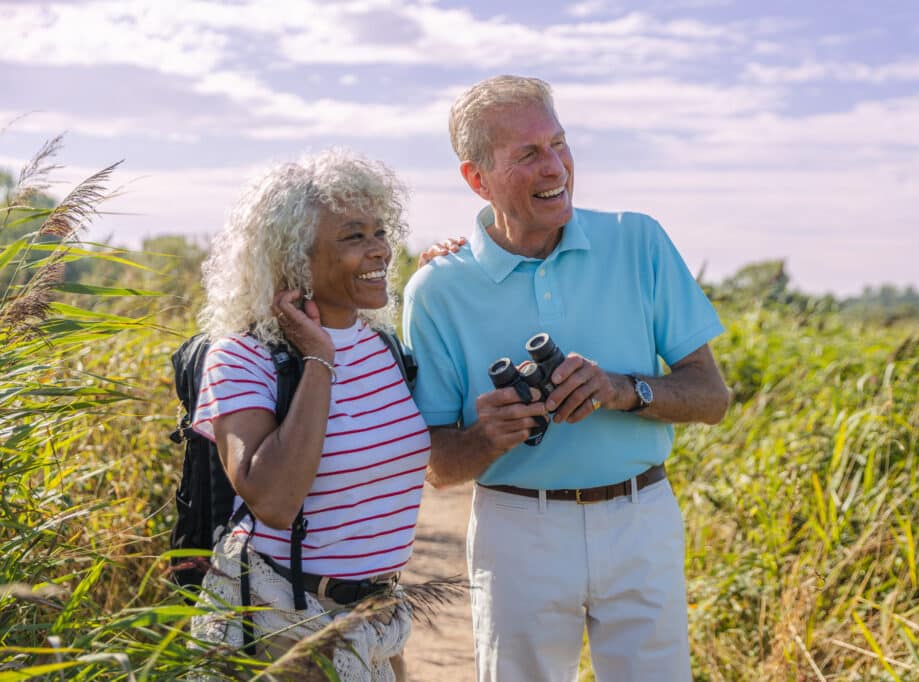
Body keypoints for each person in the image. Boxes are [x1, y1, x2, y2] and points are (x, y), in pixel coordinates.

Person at [402, 75, 731, 681]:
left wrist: (624, 390)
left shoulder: (639, 240)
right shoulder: (438, 289)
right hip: (516, 530)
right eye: (527, 154)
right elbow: (437, 467)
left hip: (642, 517)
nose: (555, 165)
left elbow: (713, 397)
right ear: (477, 178)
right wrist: (487, 435)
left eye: (559, 143)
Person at [188, 148, 430, 681]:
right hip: (285, 623)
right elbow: (273, 500)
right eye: (353, 237)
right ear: (295, 259)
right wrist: (318, 358)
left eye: (380, 231)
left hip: (379, 618)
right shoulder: (242, 356)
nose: (380, 251)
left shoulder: (384, 346)